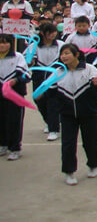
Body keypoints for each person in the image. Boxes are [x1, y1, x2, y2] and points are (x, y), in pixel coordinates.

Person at [48, 43, 97, 185]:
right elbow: (52, 93)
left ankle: (93, 165)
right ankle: (69, 171)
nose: (64, 56)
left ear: (76, 54)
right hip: (67, 115)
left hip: (89, 113)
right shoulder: (57, 72)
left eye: (67, 53)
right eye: (62, 54)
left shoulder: (90, 69)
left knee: (91, 142)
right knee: (68, 144)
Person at [31, 22, 64, 141]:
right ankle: (49, 121)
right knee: (39, 99)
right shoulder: (34, 45)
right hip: (39, 75)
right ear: (43, 33)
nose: (53, 35)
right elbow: (28, 59)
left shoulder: (60, 44)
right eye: (50, 33)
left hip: (55, 74)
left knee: (53, 102)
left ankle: (54, 129)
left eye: (54, 32)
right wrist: (30, 62)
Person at [0, 33, 30, 161]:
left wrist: (15, 81)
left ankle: (15, 147)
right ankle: (3, 144)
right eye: (1, 42)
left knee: (14, 120)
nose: (3, 45)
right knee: (1, 120)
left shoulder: (17, 57)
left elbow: (26, 76)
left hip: (15, 94)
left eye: (6, 42)